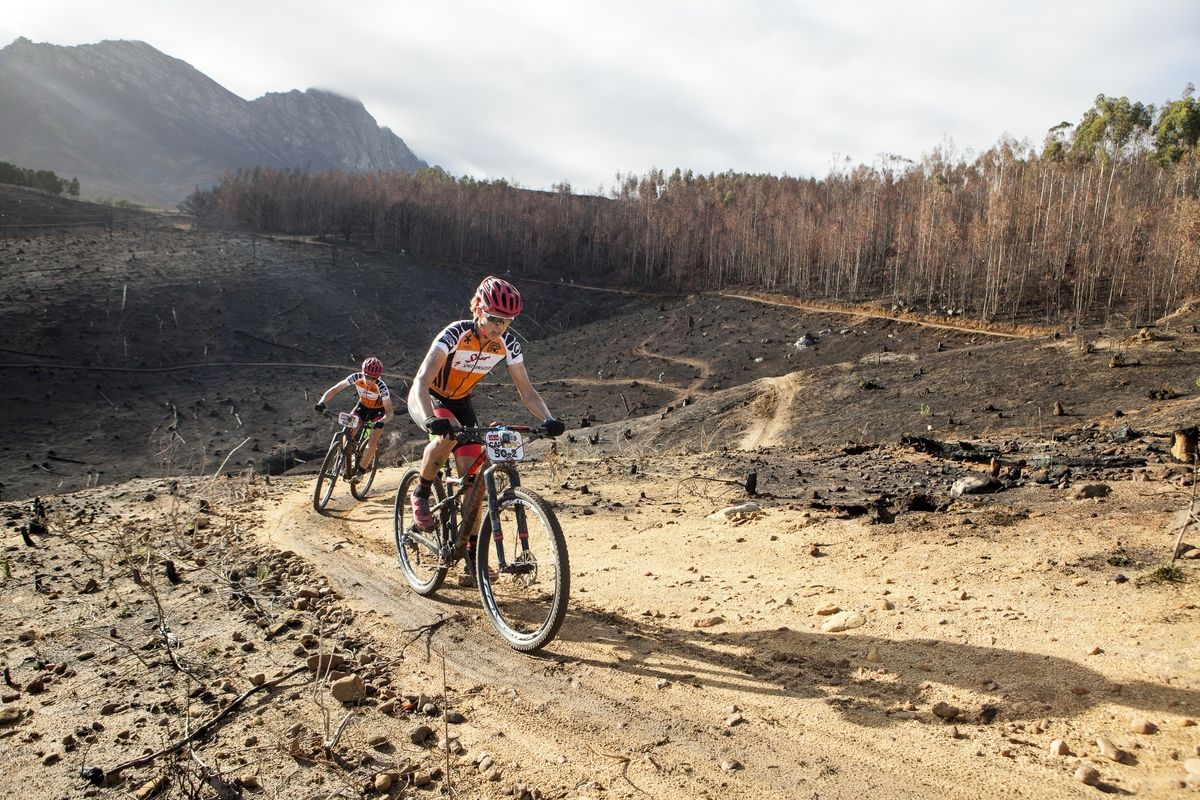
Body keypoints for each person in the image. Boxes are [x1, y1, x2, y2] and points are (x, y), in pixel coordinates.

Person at [407, 276, 565, 583]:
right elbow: (422, 381)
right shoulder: (456, 333)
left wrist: (548, 419)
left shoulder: (508, 344)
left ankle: (470, 553)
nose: (499, 327)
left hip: (462, 403)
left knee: (474, 483)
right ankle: (421, 492)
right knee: (446, 437)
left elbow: (527, 391)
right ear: (478, 309)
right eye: (494, 318)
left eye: (506, 321)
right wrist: (429, 418)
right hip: (431, 397)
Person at [314, 356, 394, 477]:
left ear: (378, 377)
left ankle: (361, 471)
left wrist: (382, 421)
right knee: (348, 431)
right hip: (362, 407)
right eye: (367, 376)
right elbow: (335, 389)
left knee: (373, 440)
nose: (370, 380)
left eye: (374, 378)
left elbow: (390, 412)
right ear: (363, 373)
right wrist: (322, 402)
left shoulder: (382, 387)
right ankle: (345, 460)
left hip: (378, 412)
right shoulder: (355, 377)